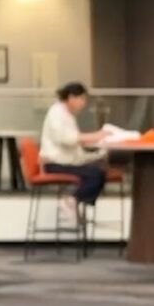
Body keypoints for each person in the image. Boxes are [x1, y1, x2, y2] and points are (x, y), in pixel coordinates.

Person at [40, 82, 114, 222]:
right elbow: (67, 138)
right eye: (82, 99)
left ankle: (75, 202)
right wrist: (96, 136)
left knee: (100, 172)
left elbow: (75, 143)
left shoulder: (67, 114)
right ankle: (72, 200)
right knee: (95, 174)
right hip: (55, 163)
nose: (84, 103)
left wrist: (95, 152)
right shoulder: (57, 113)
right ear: (71, 97)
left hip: (65, 161)